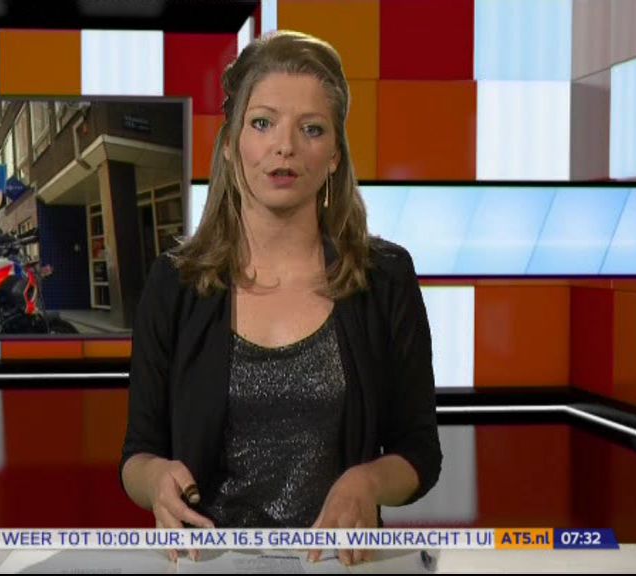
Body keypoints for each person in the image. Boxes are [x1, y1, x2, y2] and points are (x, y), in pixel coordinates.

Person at [120, 30, 442, 566]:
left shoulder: (385, 278)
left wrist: (367, 482)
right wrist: (156, 479)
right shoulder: (175, 283)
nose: (284, 146)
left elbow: (419, 453)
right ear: (231, 144)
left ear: (334, 154)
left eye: (311, 128)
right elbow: (137, 456)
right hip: (209, 564)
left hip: (337, 566)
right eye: (263, 123)